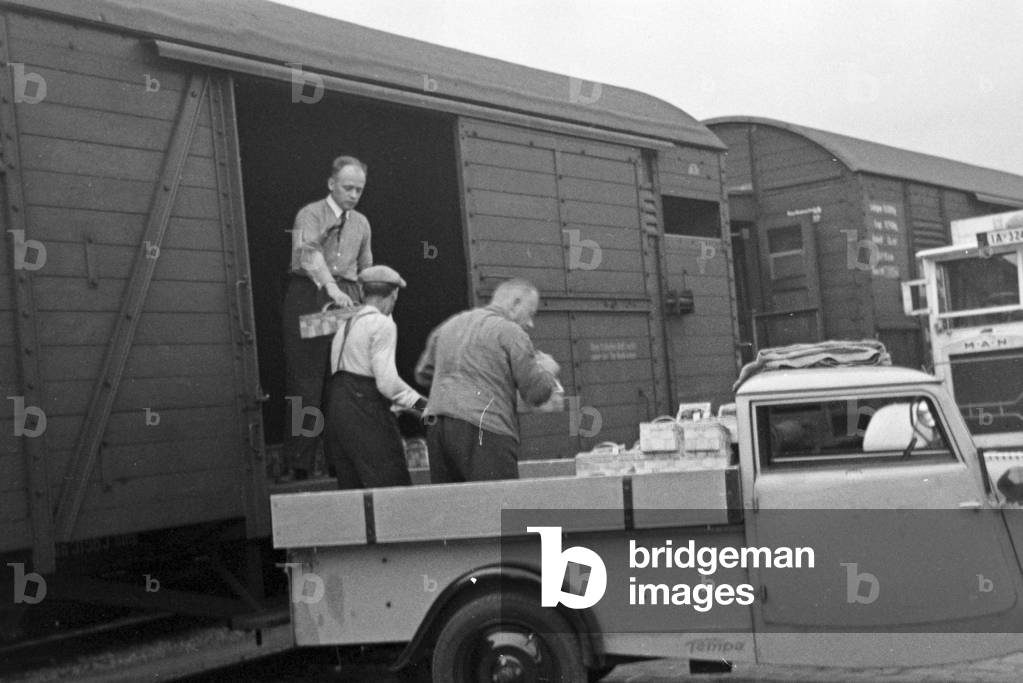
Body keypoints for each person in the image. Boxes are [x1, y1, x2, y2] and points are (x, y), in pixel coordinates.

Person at [280, 156, 372, 481]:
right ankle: (300, 466)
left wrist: (370, 307)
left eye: (359, 189)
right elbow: (307, 255)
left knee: (343, 383)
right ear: (331, 184)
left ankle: (340, 463)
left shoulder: (361, 223)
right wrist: (331, 288)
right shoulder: (310, 214)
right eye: (348, 187)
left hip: (348, 296)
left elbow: (365, 269)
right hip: (310, 294)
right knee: (306, 382)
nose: (353, 194)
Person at [415, 278, 561, 482]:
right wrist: (548, 371)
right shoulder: (510, 332)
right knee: (499, 507)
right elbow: (535, 393)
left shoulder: (449, 326)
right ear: (515, 303)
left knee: (452, 507)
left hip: (438, 430)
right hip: (485, 429)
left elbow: (423, 373)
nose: (530, 323)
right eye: (530, 314)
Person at [324, 265, 427, 489]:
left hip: (337, 410)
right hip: (364, 408)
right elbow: (388, 384)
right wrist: (423, 406)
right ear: (393, 295)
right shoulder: (382, 323)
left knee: (353, 489)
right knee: (392, 485)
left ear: (363, 292)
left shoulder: (346, 325)